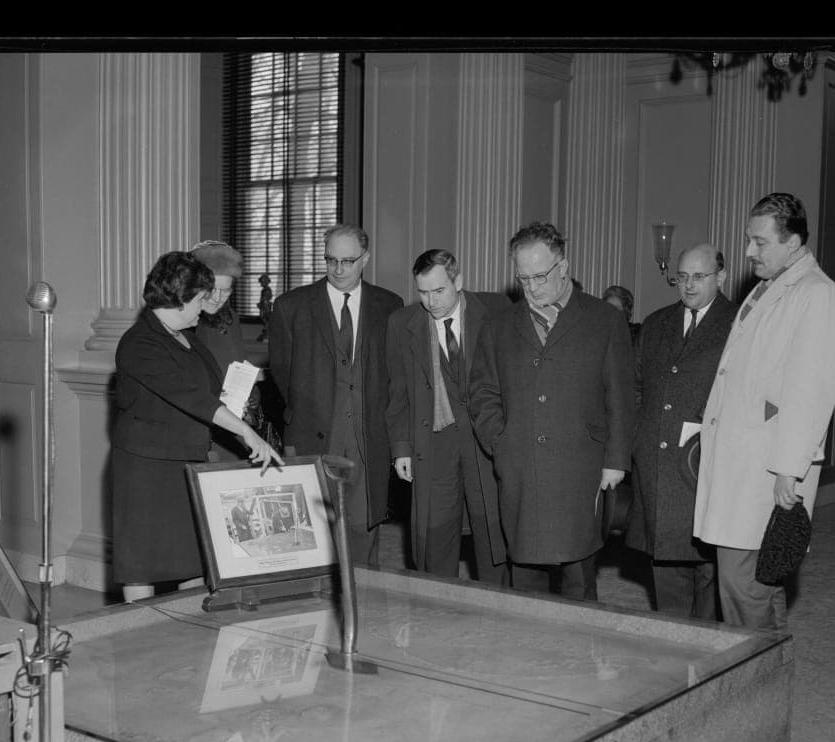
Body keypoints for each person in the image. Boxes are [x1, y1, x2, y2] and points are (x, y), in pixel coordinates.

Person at [693, 192, 835, 632]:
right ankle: (756, 675)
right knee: (747, 582)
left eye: (759, 242)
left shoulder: (818, 296)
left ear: (794, 241)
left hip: (770, 469)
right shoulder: (767, 289)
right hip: (743, 461)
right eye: (749, 240)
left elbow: (811, 391)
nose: (748, 251)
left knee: (747, 586)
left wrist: (788, 470)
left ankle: (757, 682)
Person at [469, 221, 634, 601]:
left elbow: (621, 397)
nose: (531, 287)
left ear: (564, 267)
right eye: (523, 278)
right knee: (525, 577)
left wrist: (616, 460)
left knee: (579, 577)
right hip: (520, 467)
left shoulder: (604, 320)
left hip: (582, 468)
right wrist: (501, 440)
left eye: (540, 276)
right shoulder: (498, 325)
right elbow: (482, 392)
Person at [112, 251, 281, 603]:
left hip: (186, 462)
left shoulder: (185, 335)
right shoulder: (140, 343)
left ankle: (188, 641)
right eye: (201, 298)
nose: (206, 307)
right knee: (143, 564)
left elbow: (207, 391)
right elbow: (193, 399)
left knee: (192, 560)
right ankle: (143, 646)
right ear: (180, 297)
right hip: (146, 471)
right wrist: (246, 433)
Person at [267, 224, 403, 566]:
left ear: (365, 259)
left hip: (368, 439)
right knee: (312, 536)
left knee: (363, 532)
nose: (338, 270)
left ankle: (364, 606)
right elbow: (282, 377)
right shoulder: (290, 306)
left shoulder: (389, 305)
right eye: (331, 260)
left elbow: (394, 376)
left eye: (348, 261)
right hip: (314, 437)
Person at [385, 249, 510, 583]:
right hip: (434, 441)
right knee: (435, 533)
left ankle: (498, 607)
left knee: (491, 529)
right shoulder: (402, 324)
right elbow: (397, 393)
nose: (431, 301)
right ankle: (439, 608)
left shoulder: (496, 311)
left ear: (459, 281)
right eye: (423, 293)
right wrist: (401, 448)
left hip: (485, 441)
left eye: (439, 291)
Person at [626, 244, 736, 620]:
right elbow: (636, 387)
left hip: (705, 466)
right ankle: (673, 650)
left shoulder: (739, 324)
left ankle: (703, 653)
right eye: (683, 276)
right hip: (659, 465)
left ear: (720, 277)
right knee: (666, 568)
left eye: (700, 277)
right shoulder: (657, 323)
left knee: (708, 570)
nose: (689, 285)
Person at [189, 240, 267, 461]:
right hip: (202, 429)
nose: (218, 298)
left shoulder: (229, 317)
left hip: (233, 428)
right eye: (212, 289)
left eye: (226, 290)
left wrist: (252, 394)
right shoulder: (184, 323)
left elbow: (238, 363)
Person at [602, 284, 640, 350]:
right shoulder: (598, 330)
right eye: (608, 307)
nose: (611, 311)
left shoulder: (636, 334)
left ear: (626, 311)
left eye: (616, 308)